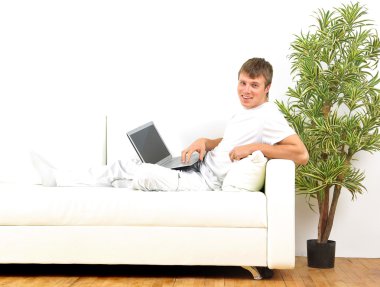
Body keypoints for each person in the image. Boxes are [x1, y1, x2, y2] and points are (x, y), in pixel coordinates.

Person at [32, 58, 309, 190]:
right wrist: (207, 142)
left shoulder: (268, 115)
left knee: (142, 173)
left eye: (254, 85)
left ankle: (58, 180)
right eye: (242, 82)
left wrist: (256, 147)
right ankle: (62, 177)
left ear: (267, 88)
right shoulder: (245, 111)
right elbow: (231, 142)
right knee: (132, 163)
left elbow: (301, 154)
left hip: (205, 183)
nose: (246, 90)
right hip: (198, 166)